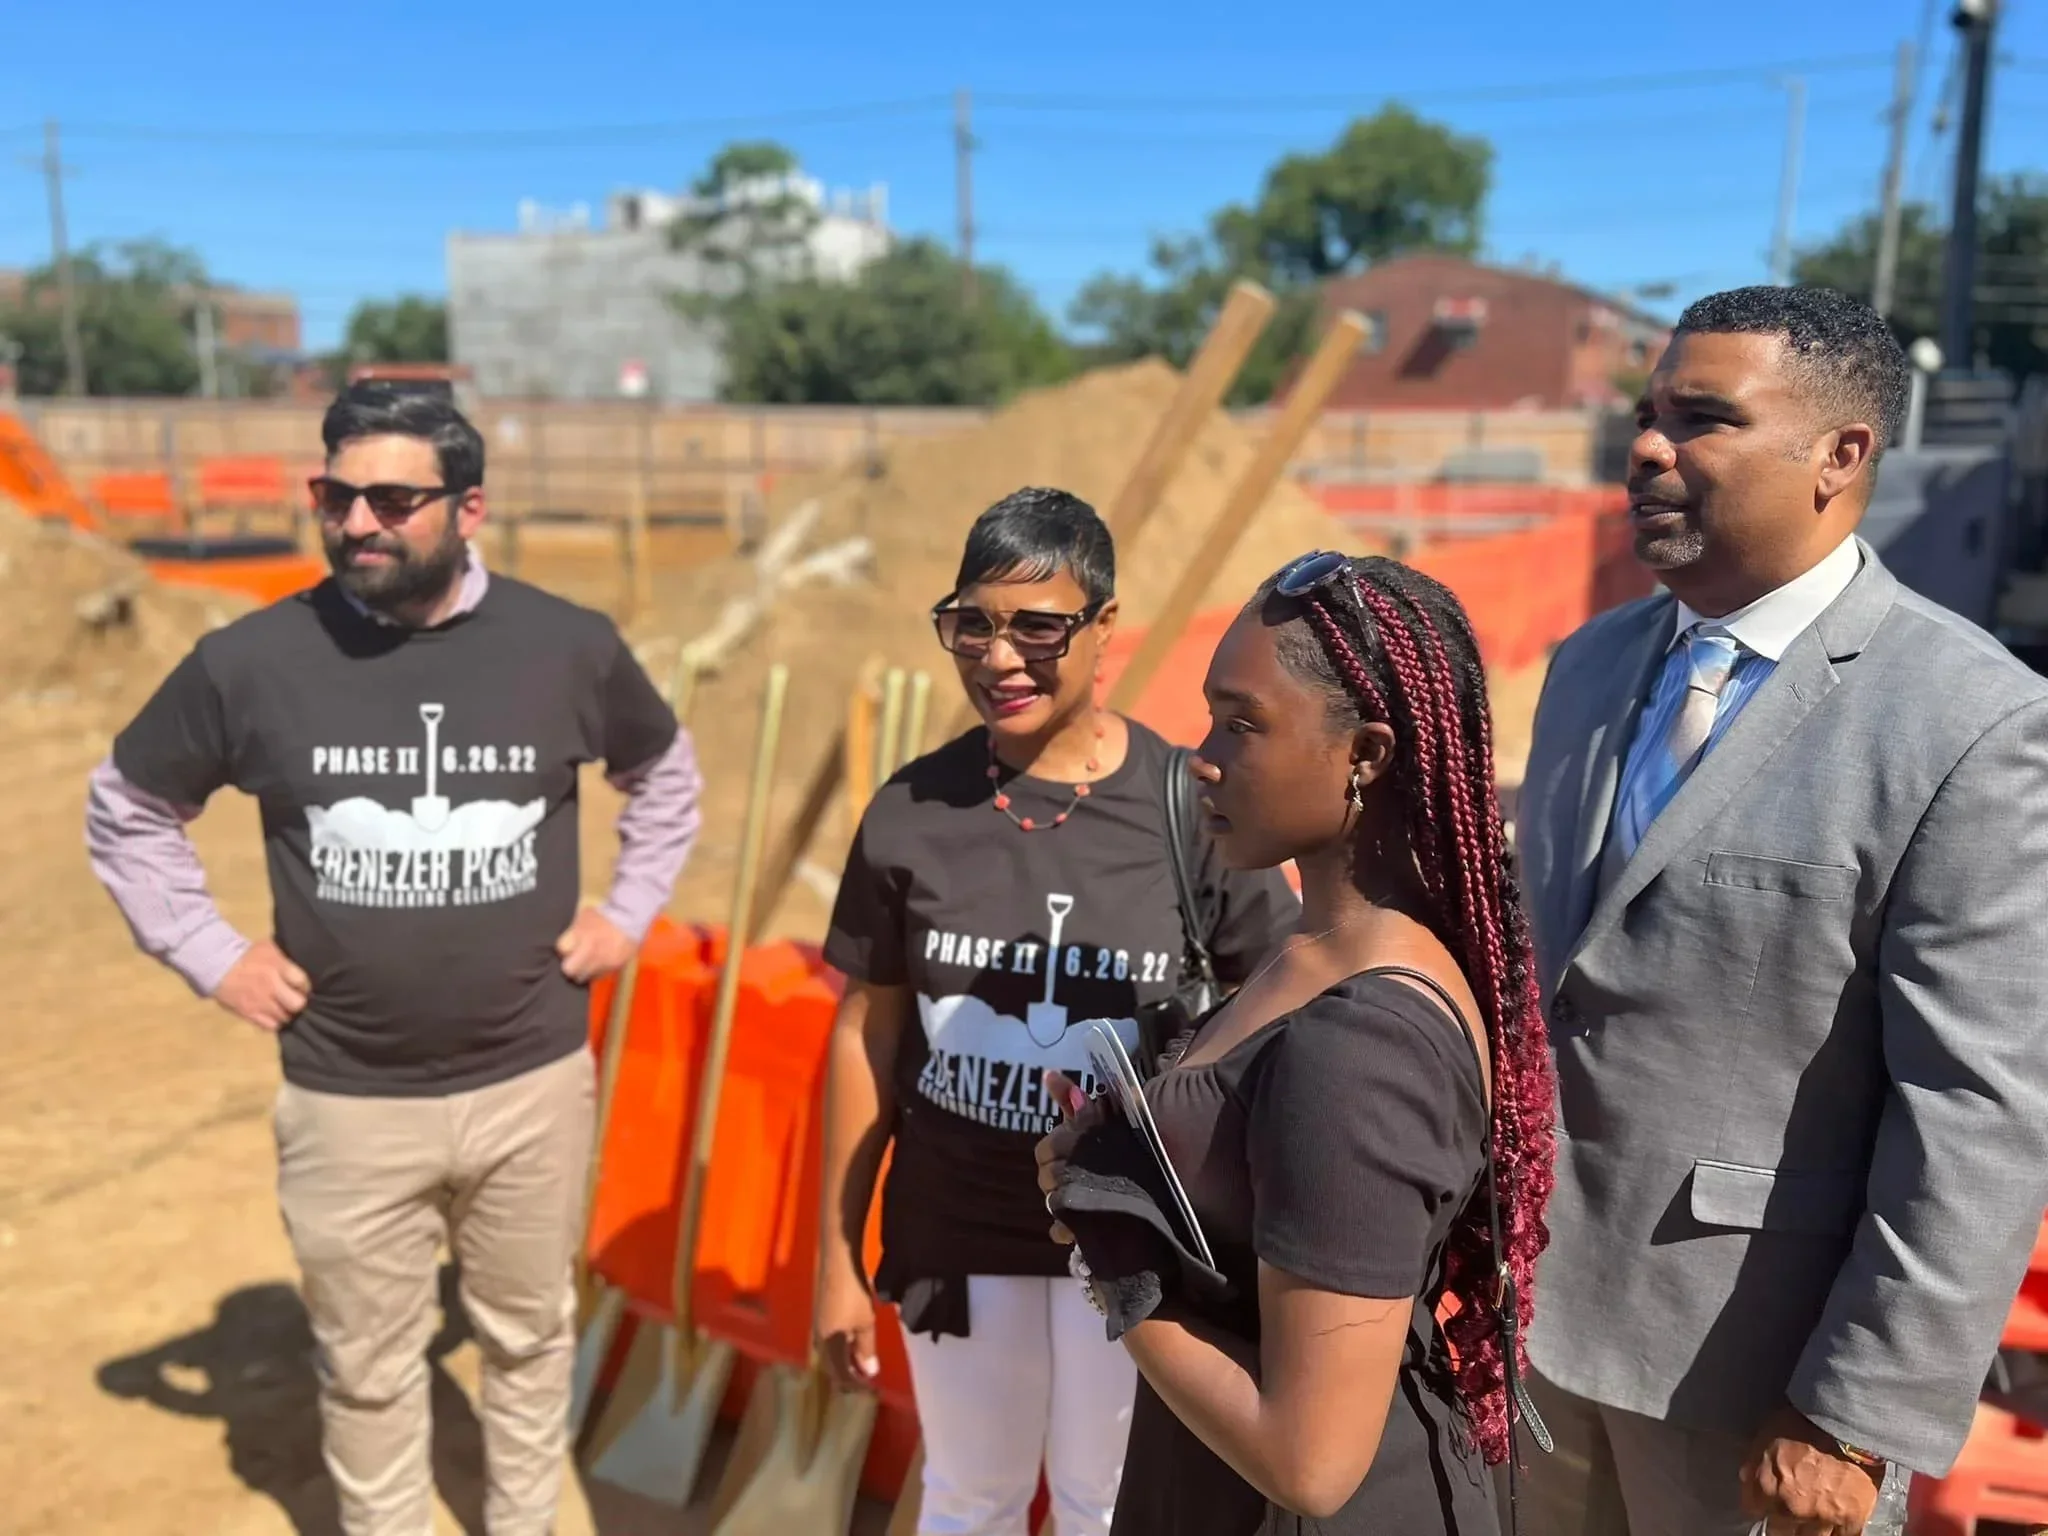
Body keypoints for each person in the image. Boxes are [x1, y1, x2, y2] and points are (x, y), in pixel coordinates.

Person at [84, 382, 702, 1536]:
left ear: (468, 508)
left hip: (532, 1081)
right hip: (348, 1098)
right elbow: (126, 808)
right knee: (367, 1366)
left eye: (391, 498)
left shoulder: (564, 646)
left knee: (526, 1341)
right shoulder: (252, 661)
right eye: (335, 494)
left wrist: (627, 910)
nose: (357, 520)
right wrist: (210, 952)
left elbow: (663, 776)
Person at [1514, 284, 2048, 1535]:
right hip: (1533, 1341)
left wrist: (1854, 1411)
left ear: (1839, 454)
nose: (1647, 447)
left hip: (1759, 1389)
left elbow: (1975, 1111)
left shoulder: (1966, 722)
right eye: (1647, 414)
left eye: (1700, 419)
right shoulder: (1587, 671)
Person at [1036, 551, 1558, 1535]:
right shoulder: (1305, 951)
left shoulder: (1366, 1039)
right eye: (1208, 716)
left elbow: (1309, 1463)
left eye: (1242, 725)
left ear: (1364, 755)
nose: (1202, 756)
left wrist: (1110, 1251)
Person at [815, 486, 1301, 1536]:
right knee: (969, 1499)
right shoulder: (911, 810)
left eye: (1037, 626)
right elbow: (868, 1030)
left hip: (1126, 1238)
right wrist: (835, 1263)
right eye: (971, 625)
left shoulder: (1191, 805)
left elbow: (1283, 1008)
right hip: (954, 1227)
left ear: (1103, 627)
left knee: (1106, 1507)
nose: (1000, 658)